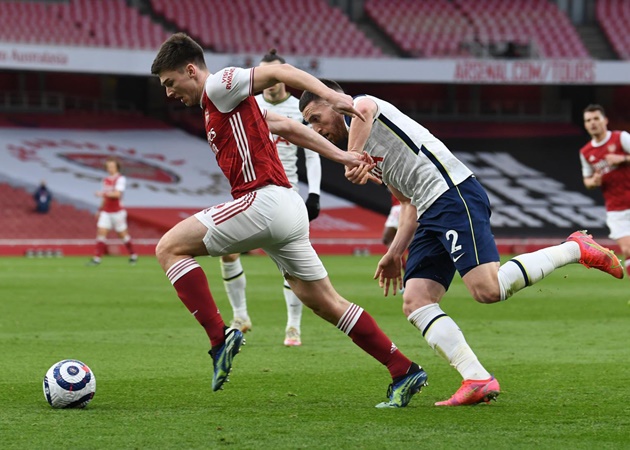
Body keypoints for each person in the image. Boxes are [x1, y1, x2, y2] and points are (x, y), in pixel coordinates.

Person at [299, 80, 623, 406]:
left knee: (487, 290)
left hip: (453, 195)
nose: (314, 128)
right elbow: (408, 202)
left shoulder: (361, 108)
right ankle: (476, 377)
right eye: (308, 123)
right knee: (416, 301)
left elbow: (364, 107)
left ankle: (575, 248)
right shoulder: (370, 151)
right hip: (429, 210)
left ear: (333, 102)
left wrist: (351, 156)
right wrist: (394, 252)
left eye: (315, 117)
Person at [150, 33, 427, 408]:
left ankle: (220, 339)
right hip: (286, 209)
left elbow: (282, 71)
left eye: (170, 83)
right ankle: (403, 369)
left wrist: (331, 97)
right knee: (326, 302)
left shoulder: (219, 84)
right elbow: (291, 128)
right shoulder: (228, 105)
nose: (168, 93)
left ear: (190, 70)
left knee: (169, 248)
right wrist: (344, 157)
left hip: (264, 200)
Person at [220, 49, 322, 347]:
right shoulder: (249, 105)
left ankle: (293, 327)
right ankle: (240, 316)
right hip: (253, 192)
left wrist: (313, 193)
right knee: (228, 252)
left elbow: (312, 152)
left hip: (287, 194)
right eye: (265, 75)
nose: (270, 82)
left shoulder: (297, 109)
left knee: (291, 267)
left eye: (275, 75)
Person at [580, 104, 630, 277]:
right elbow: (587, 181)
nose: (593, 123)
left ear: (605, 120)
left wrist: (622, 158)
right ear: (585, 125)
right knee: (627, 249)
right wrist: (593, 181)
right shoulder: (586, 152)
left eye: (596, 118)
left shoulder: (620, 138)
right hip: (616, 208)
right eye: (588, 120)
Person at [87, 157, 138, 266]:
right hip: (106, 211)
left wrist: (102, 194)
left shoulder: (120, 179)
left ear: (117, 167)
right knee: (101, 232)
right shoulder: (105, 180)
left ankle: (133, 254)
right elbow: (105, 198)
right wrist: (100, 210)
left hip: (117, 212)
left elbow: (117, 194)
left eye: (112, 166)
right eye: (108, 166)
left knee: (122, 235)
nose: (110, 168)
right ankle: (97, 258)